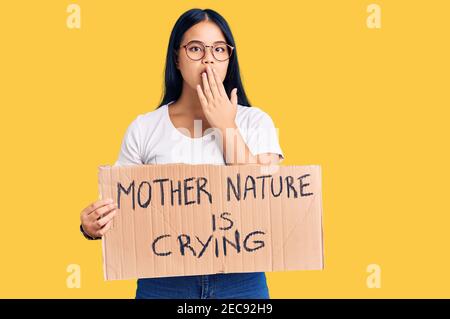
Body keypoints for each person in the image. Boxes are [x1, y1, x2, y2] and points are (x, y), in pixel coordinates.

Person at [80, 8, 284, 299]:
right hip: (162, 282)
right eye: (196, 49)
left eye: (219, 49)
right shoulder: (144, 128)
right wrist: (91, 226)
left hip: (241, 281)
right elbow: (120, 210)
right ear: (177, 57)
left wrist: (226, 126)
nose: (208, 58)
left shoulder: (256, 122)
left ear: (229, 57)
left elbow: (264, 201)